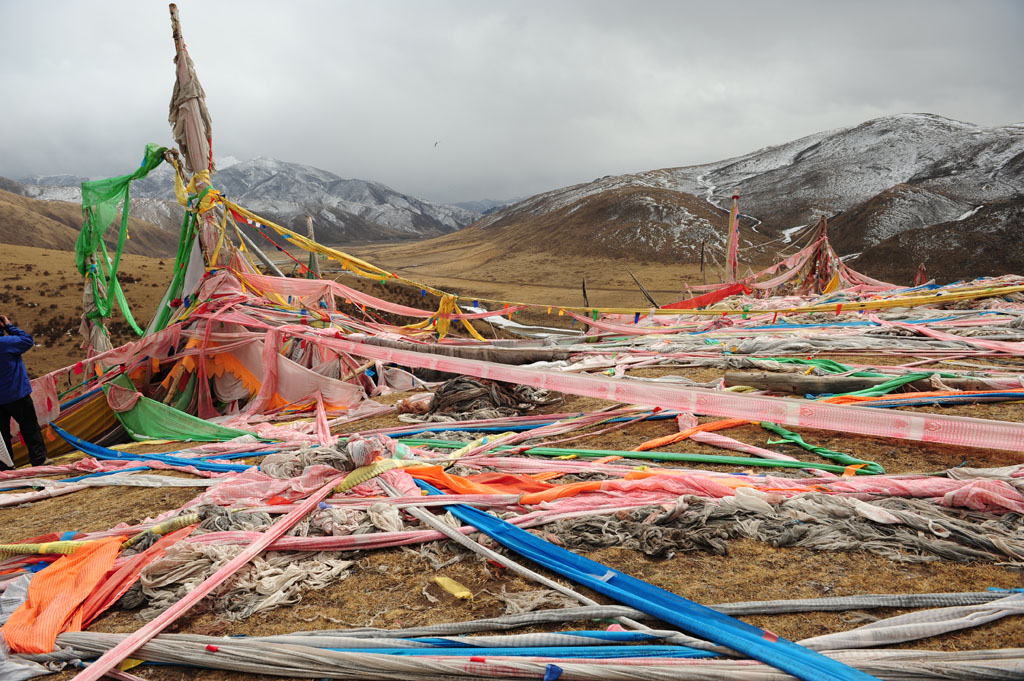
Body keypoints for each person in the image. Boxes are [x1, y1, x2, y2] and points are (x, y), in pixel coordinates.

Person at [0, 314, 51, 469]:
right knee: (29, 428)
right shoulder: (6, 343)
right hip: (17, 394)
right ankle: (38, 459)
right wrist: (9, 326)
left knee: (2, 435)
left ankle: (5, 467)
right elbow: (27, 340)